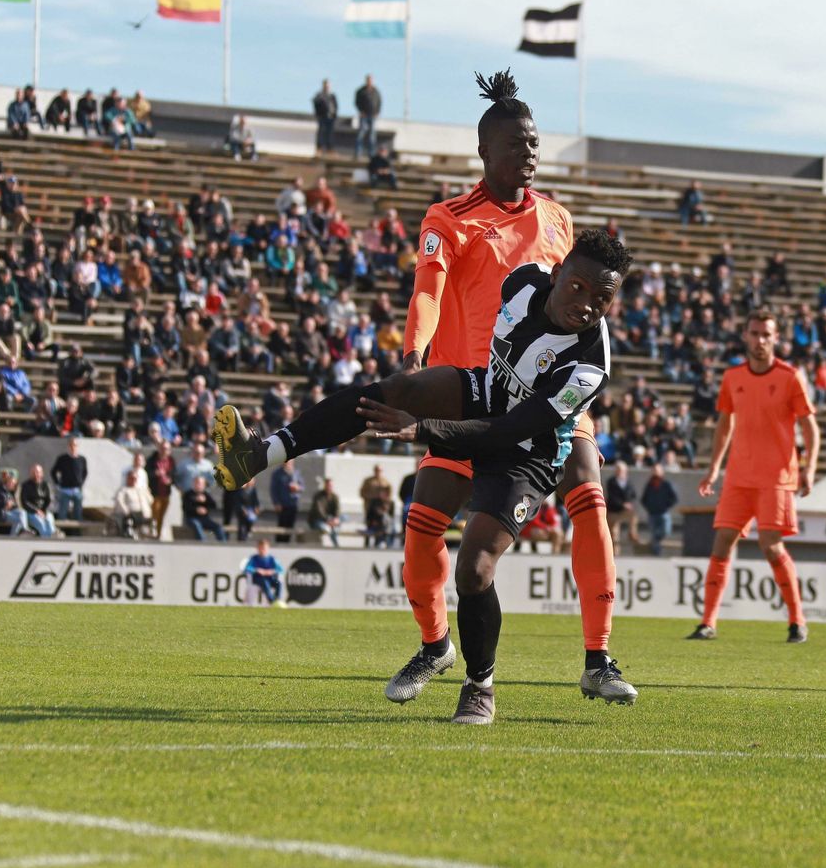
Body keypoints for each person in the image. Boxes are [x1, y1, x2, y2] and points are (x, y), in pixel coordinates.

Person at [218, 72, 632, 706]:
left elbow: (580, 298)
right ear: (484, 151)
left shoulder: (558, 219)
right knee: (422, 528)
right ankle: (436, 643)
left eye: (535, 143)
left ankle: (598, 657)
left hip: (544, 404)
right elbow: (428, 292)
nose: (531, 154)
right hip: (476, 384)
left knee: (589, 497)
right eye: (518, 144)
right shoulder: (450, 217)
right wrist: (413, 356)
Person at [689, 309, 818, 643]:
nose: (760, 340)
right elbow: (724, 423)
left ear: (775, 338)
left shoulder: (790, 376)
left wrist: (810, 468)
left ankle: (797, 620)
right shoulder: (733, 377)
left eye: (766, 334)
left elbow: (809, 426)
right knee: (721, 544)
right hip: (738, 476)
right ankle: (708, 622)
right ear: (745, 336)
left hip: (776, 477)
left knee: (770, 546)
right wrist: (714, 468)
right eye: (755, 333)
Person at [640, 463, 680, 555]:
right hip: (652, 514)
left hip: (663, 513)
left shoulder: (666, 484)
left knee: (665, 531)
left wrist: (665, 506)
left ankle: (656, 546)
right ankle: (656, 554)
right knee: (654, 534)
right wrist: (650, 507)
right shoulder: (649, 484)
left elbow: (674, 498)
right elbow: (644, 499)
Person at [603, 462, 640, 552]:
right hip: (613, 511)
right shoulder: (611, 482)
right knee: (614, 533)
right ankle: (616, 552)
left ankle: (632, 533)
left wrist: (630, 503)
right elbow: (611, 497)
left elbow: (633, 496)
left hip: (625, 511)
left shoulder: (629, 482)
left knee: (634, 516)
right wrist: (622, 504)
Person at [50, 437, 87, 522]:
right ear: (68, 446)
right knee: (62, 513)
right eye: (71, 445)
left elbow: (85, 472)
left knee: (78, 513)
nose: (73, 447)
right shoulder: (62, 459)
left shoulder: (82, 459)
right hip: (65, 490)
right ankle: (61, 531)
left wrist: (81, 483)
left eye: (75, 445)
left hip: (77, 490)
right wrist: (58, 483)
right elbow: (53, 471)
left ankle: (76, 533)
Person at [242, 539, 286, 607]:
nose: (262, 550)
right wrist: (257, 570)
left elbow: (280, 569)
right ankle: (271, 601)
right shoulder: (254, 558)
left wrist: (272, 571)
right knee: (265, 582)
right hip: (258, 579)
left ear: (268, 549)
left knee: (279, 583)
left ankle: (277, 600)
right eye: (260, 548)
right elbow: (247, 568)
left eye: (264, 548)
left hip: (270, 579)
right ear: (257, 548)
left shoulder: (272, 559)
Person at [359, 465, 394, 548]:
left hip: (381, 509)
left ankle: (379, 544)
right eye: (376, 470)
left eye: (379, 470)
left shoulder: (385, 482)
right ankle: (366, 545)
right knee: (369, 526)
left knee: (381, 526)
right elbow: (362, 492)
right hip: (369, 507)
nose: (378, 472)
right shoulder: (368, 481)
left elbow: (389, 494)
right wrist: (372, 497)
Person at [111, 468, 151, 538]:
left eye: (135, 478)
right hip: (129, 514)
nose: (133, 480)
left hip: (141, 513)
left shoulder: (140, 490)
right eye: (131, 478)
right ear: (128, 479)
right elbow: (119, 500)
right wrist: (126, 510)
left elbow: (149, 500)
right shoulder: (123, 490)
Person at [181, 476, 224, 541]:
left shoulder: (206, 494)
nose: (199, 485)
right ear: (194, 484)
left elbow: (214, 506)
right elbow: (185, 508)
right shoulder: (188, 494)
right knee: (197, 524)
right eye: (197, 483)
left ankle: (223, 544)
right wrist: (196, 510)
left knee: (218, 527)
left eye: (201, 484)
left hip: (204, 519)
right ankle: (203, 543)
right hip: (191, 518)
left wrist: (205, 501)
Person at [19, 463, 56, 537]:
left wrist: (44, 511)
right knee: (41, 524)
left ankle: (51, 540)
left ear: (42, 473)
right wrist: (36, 511)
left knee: (49, 522)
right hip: (31, 512)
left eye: (38, 472)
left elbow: (50, 500)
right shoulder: (26, 485)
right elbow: (24, 502)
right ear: (30, 473)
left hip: (44, 511)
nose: (36, 474)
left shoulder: (46, 485)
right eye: (34, 472)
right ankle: (46, 543)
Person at [308, 476, 343, 547]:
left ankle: (335, 542)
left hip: (330, 520)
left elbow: (338, 509)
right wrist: (327, 520)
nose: (329, 487)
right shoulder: (318, 496)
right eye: (328, 485)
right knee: (324, 526)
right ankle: (332, 530)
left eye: (331, 485)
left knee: (344, 517)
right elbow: (319, 511)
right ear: (325, 486)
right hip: (318, 520)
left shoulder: (335, 496)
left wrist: (336, 518)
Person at [354, 74, 382, 158]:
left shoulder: (376, 91)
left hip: (373, 116)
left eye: (371, 80)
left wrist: (377, 112)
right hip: (364, 116)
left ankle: (371, 154)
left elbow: (379, 102)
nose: (369, 82)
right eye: (368, 80)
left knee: (372, 136)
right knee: (361, 134)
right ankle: (358, 153)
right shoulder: (361, 91)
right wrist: (361, 111)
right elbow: (356, 102)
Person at [312, 79, 338, 153]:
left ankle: (330, 149)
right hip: (322, 117)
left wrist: (334, 115)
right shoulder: (319, 95)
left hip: (331, 117)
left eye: (328, 85)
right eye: (325, 85)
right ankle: (319, 148)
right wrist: (318, 114)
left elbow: (336, 106)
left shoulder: (332, 95)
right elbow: (315, 104)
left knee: (330, 134)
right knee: (321, 133)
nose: (327, 87)